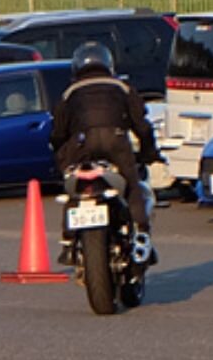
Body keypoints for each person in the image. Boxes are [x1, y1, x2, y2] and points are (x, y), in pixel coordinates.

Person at [49, 41, 162, 252]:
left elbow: (58, 131)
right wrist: (150, 153)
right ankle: (141, 233)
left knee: (75, 185)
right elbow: (142, 125)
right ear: (109, 63)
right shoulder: (122, 87)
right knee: (132, 186)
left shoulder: (70, 92)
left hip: (81, 144)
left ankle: (68, 238)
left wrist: (60, 156)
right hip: (116, 141)